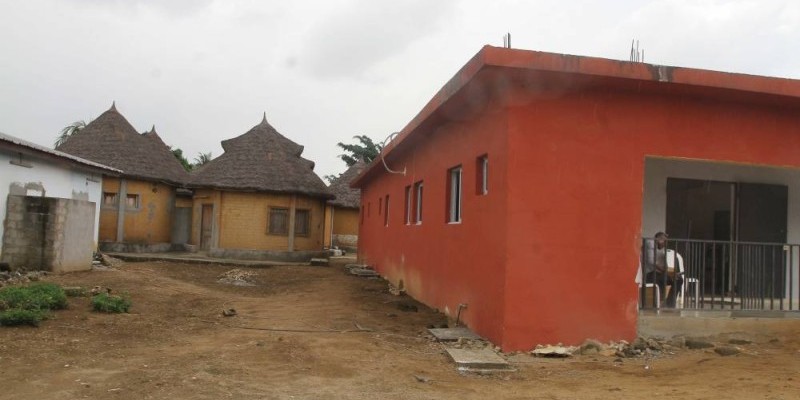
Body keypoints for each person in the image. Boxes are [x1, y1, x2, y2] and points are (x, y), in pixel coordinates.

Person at [642, 231, 683, 308]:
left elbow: (665, 265)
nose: (665, 243)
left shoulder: (662, 249)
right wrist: (664, 271)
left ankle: (669, 303)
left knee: (679, 279)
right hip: (650, 274)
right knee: (661, 279)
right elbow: (651, 262)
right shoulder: (651, 244)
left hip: (660, 273)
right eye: (664, 241)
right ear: (659, 240)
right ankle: (657, 303)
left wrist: (672, 273)